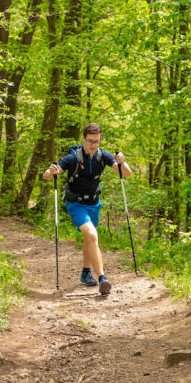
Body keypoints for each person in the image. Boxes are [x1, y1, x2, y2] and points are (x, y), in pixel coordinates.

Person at [43, 123, 132, 295]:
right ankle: (102, 279)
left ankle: (85, 272)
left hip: (94, 203)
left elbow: (126, 173)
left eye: (97, 141)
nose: (94, 145)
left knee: (88, 239)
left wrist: (122, 161)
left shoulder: (103, 156)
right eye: (90, 141)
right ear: (83, 139)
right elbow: (48, 175)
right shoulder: (72, 158)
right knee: (92, 235)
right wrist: (50, 171)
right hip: (76, 203)